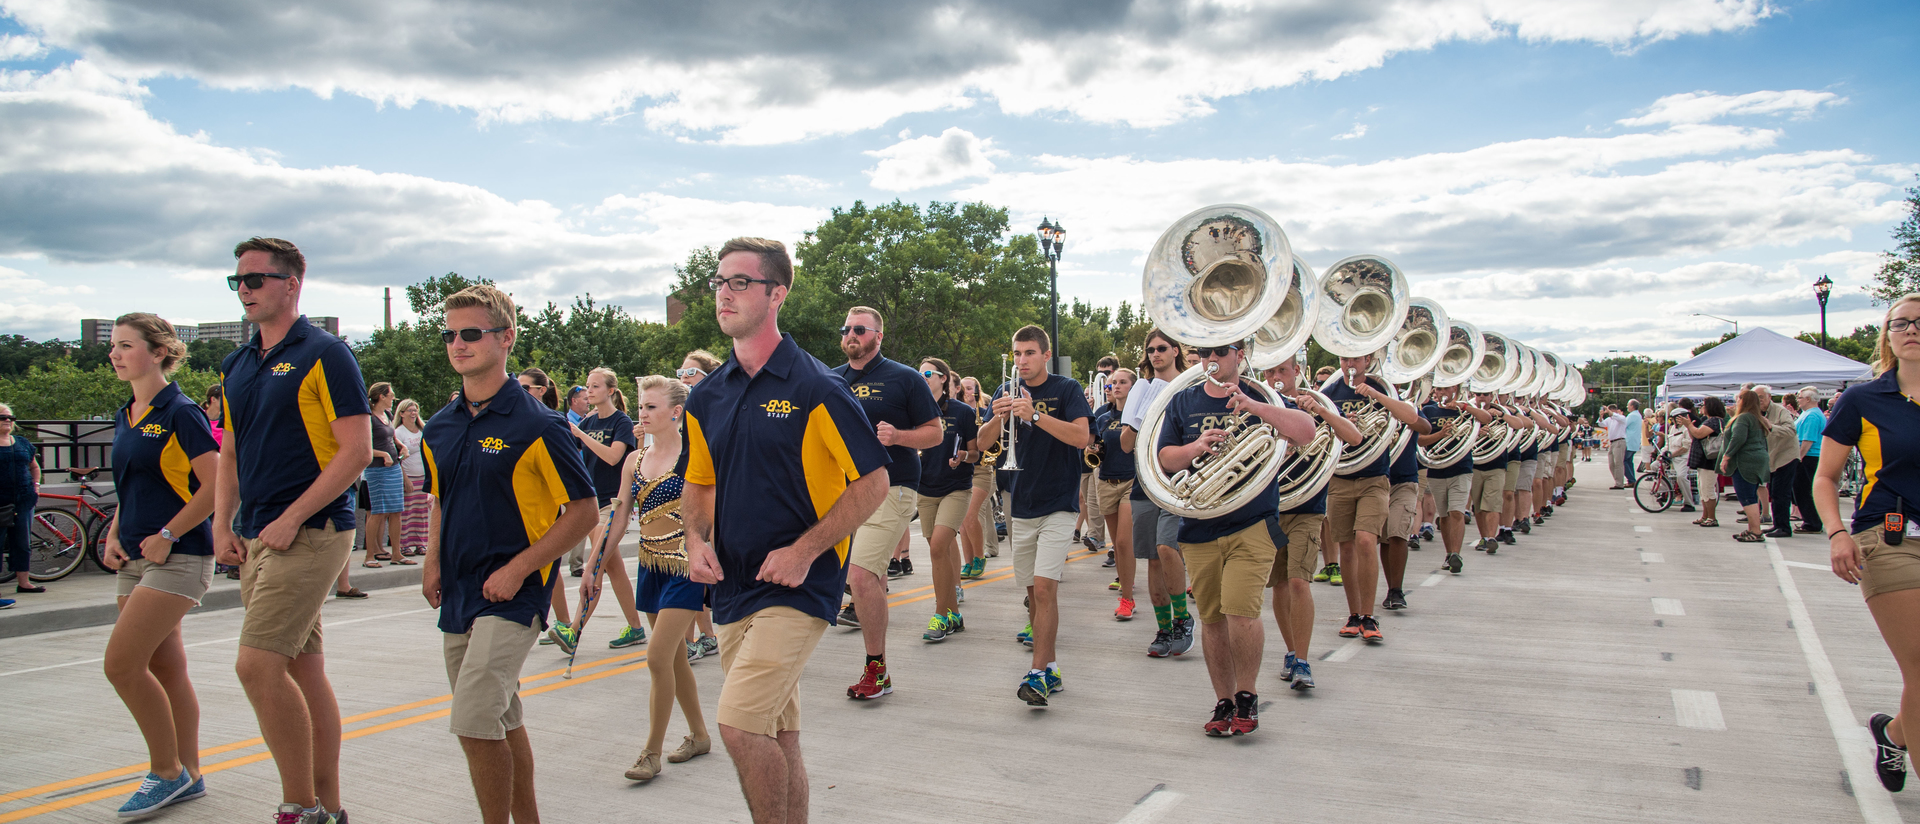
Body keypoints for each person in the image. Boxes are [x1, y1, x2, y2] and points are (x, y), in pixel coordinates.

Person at [681, 238, 888, 824]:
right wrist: (695, 541)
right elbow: (699, 483)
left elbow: (872, 481)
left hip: (800, 585)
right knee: (778, 732)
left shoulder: (817, 387)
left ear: (778, 293)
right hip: (732, 586)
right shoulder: (707, 395)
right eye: (719, 281)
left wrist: (804, 551)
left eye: (740, 282)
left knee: (739, 726)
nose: (724, 292)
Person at [419, 284, 597, 824]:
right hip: (459, 589)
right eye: (449, 334)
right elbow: (439, 501)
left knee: (474, 719)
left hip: (515, 593)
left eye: (470, 333)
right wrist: (430, 564)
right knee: (501, 715)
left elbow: (584, 512)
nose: (458, 344)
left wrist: (520, 568)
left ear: (506, 338)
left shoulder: (538, 424)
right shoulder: (439, 426)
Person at [213, 237, 371, 824]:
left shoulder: (325, 353)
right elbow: (230, 450)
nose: (245, 290)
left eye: (255, 279)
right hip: (257, 531)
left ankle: (298, 805)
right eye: (237, 282)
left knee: (255, 665)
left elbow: (355, 451)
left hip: (310, 530)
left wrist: (290, 517)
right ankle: (328, 808)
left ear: (291, 283)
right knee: (303, 670)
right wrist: (222, 521)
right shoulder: (238, 362)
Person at [1155, 341, 1316, 735]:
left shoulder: (1264, 394)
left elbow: (1307, 432)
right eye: (1205, 352)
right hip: (1198, 525)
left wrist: (1255, 407)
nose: (1212, 360)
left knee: (1241, 613)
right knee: (1211, 618)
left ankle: (1247, 696)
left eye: (1221, 352)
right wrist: (1196, 446)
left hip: (1251, 521)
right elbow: (1163, 458)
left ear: (1239, 355)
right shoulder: (1182, 402)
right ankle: (1223, 701)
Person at [98, 313, 218, 817]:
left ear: (161, 350)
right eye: (113, 346)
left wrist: (168, 535)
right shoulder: (128, 410)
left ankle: (164, 771)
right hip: (135, 556)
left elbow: (215, 488)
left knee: (121, 665)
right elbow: (133, 485)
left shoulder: (181, 412)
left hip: (180, 556)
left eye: (126, 345)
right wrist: (112, 532)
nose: (116, 354)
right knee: (166, 668)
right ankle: (187, 774)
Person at [584, 374, 714, 782]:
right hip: (651, 565)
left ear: (676, 412)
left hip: (685, 567)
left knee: (657, 657)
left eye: (651, 407)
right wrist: (594, 565)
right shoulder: (634, 460)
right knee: (674, 660)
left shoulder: (696, 458)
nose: (642, 413)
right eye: (641, 406)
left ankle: (650, 752)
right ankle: (699, 735)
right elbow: (620, 518)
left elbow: (712, 515)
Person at [1818, 294, 1920, 793]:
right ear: (1887, 335)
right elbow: (1826, 477)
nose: (1911, 330)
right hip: (1890, 538)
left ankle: (1893, 733)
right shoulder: (1862, 399)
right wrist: (1838, 533)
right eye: (1900, 323)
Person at [823, 306, 940, 701]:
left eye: (860, 329)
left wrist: (899, 437)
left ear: (878, 336)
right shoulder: (831, 379)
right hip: (841, 491)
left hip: (893, 485)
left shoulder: (904, 378)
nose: (851, 335)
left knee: (859, 576)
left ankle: (878, 669)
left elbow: (935, 434)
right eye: (846, 329)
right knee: (859, 576)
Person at [983, 324, 1093, 705]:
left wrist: (1034, 416)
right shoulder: (1005, 391)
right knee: (1034, 594)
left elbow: (1082, 438)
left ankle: (1037, 672)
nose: (1021, 360)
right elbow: (982, 445)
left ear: (1046, 355)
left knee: (1046, 588)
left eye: (1029, 353)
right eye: (1016, 354)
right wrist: (998, 417)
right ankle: (1052, 668)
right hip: (1021, 502)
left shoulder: (1067, 389)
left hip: (1059, 503)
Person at [1263, 356, 1360, 690]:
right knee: (1278, 585)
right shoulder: (1261, 405)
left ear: (1296, 373)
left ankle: (1303, 660)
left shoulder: (1318, 403)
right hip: (1271, 507)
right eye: (1271, 371)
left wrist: (1320, 412)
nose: (1276, 377)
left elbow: (1354, 437)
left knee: (1299, 582)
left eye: (1283, 371)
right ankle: (1291, 651)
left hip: (1307, 506)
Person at [1322, 353, 1431, 642]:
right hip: (1341, 477)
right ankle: (1354, 613)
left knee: (1366, 540)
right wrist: (1341, 422)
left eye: (1356, 359)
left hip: (1375, 477)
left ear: (1368, 359)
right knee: (1346, 547)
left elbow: (1414, 420)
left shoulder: (1384, 388)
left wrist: (1374, 395)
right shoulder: (1330, 393)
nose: (1350, 365)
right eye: (1345, 359)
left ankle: (1369, 616)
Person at [552, 367, 648, 652]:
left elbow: (613, 457)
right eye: (587, 386)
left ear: (610, 391)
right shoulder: (590, 419)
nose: (588, 391)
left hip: (612, 504)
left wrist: (580, 434)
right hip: (591, 502)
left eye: (595, 386)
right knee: (613, 566)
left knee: (594, 566)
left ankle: (573, 631)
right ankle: (635, 627)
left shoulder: (620, 422)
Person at [1123, 328, 1195, 657]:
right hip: (1145, 481)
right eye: (1150, 349)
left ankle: (1182, 619)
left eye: (1162, 348)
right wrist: (1135, 414)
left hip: (1178, 481)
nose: (1155, 354)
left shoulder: (1190, 385)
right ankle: (1164, 629)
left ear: (1176, 350)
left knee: (1167, 547)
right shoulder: (1143, 388)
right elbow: (1126, 445)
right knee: (1152, 560)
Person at [915, 357, 979, 641]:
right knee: (937, 551)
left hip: (956, 487)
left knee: (939, 545)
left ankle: (940, 616)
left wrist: (963, 456)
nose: (922, 377)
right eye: (919, 373)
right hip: (925, 489)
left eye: (927, 373)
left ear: (943, 378)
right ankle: (954, 614)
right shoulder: (912, 410)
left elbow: (976, 453)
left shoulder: (963, 412)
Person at [1418, 383, 1491, 577]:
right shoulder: (1429, 410)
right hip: (1436, 466)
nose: (1441, 393)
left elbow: (1487, 418)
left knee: (1456, 511)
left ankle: (1456, 555)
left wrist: (1464, 406)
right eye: (1438, 389)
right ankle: (1449, 554)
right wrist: (1441, 435)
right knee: (1444, 516)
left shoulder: (1465, 409)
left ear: (1455, 390)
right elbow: (1419, 440)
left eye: (1446, 389)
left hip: (1461, 467)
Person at [1094, 368, 1137, 619]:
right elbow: (1097, 450)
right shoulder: (1102, 417)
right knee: (1117, 545)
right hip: (1106, 480)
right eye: (1112, 384)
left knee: (1123, 542)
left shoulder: (1139, 415)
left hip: (1131, 480)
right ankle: (1125, 582)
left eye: (1122, 383)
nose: (1115, 387)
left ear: (1133, 387)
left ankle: (1127, 599)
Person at [360, 382, 410, 568]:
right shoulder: (368, 418)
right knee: (378, 512)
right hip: (376, 469)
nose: (393, 398)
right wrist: (383, 454)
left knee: (396, 510)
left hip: (394, 467)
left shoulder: (387, 415)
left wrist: (401, 446)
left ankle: (396, 554)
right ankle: (369, 556)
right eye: (391, 395)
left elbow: (391, 437)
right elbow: (362, 446)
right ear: (381, 396)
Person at [1719, 389, 1771, 542]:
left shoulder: (1743, 418)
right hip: (1757, 459)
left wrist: (1726, 457)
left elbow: (1738, 438)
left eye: (1738, 399)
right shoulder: (1756, 418)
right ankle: (1752, 528)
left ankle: (1756, 531)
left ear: (1742, 400)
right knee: (1751, 494)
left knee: (1746, 496)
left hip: (1745, 461)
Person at [0, 401, 39, 600]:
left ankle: (24, 582)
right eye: (3, 417)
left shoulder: (22, 442)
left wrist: (36, 485)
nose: (7, 421)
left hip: (23, 500)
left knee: (22, 543)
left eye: (10, 417)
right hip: (1, 502)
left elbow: (34, 466)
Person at [958, 375, 995, 577]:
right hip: (963, 470)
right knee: (962, 520)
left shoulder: (984, 413)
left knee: (970, 514)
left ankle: (979, 557)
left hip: (981, 469)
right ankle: (968, 562)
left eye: (970, 388)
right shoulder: (958, 412)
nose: (967, 391)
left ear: (978, 391)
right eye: (963, 388)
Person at [394, 399, 431, 556]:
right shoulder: (399, 432)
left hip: (423, 477)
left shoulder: (423, 430)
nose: (413, 413)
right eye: (409, 410)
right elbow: (398, 458)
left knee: (422, 512)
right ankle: (404, 545)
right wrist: (405, 480)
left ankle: (421, 543)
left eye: (415, 410)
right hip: (409, 476)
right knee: (407, 513)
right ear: (401, 413)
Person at [1761, 389, 1799, 539]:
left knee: (1780, 493)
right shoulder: (1758, 411)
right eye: (1756, 398)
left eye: (1761, 397)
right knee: (1774, 493)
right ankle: (1778, 524)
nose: (1759, 401)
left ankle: (1784, 527)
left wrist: (1771, 427)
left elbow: (1791, 430)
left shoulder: (1780, 411)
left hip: (1786, 457)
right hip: (1773, 458)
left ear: (1769, 397)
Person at [1795, 386, 1826, 534]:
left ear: (1808, 399)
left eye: (1800, 398)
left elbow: (1808, 440)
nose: (1798, 401)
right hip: (1809, 456)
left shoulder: (1812, 416)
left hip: (1809, 457)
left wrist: (1799, 458)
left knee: (1804, 490)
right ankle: (1810, 521)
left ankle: (1812, 522)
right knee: (1803, 490)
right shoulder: (1808, 414)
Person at [1603, 405, 1629, 488]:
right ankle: (1617, 480)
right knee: (1611, 464)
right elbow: (1601, 423)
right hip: (1612, 442)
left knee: (1618, 463)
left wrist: (1610, 412)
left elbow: (1617, 417)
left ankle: (1619, 483)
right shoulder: (1609, 420)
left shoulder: (1621, 418)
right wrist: (1601, 415)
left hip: (1619, 441)